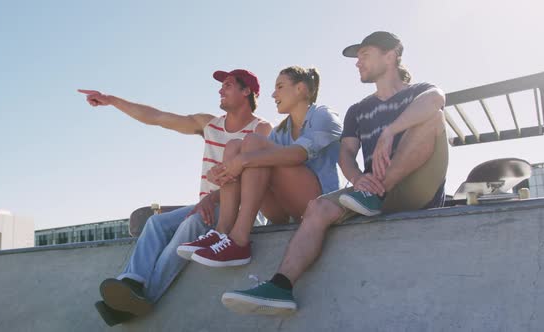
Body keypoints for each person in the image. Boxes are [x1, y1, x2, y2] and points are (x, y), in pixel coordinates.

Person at [220, 31, 448, 315]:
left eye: (365, 55)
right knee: (318, 208)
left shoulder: (419, 92)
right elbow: (345, 154)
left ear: (391, 56)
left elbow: (437, 99)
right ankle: (280, 286)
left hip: (418, 187)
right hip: (371, 190)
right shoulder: (358, 110)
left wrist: (391, 130)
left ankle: (377, 190)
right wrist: (355, 179)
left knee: (433, 117)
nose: (357, 63)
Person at [78, 69, 272, 326]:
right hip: (208, 207)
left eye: (227, 85)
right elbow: (158, 118)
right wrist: (112, 100)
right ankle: (132, 282)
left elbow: (256, 176)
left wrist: (211, 199)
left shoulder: (261, 128)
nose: (220, 90)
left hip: (240, 212)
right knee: (156, 223)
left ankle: (145, 298)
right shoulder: (209, 124)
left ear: (247, 91)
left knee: (191, 224)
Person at [177, 66, 344, 268]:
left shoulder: (323, 115)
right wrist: (220, 180)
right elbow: (255, 165)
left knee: (253, 146)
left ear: (300, 89)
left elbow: (297, 155)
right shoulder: (282, 129)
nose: (274, 94)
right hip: (284, 211)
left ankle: (239, 240)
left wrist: (243, 161)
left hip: (320, 205)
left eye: (280, 87)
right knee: (234, 146)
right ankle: (222, 232)